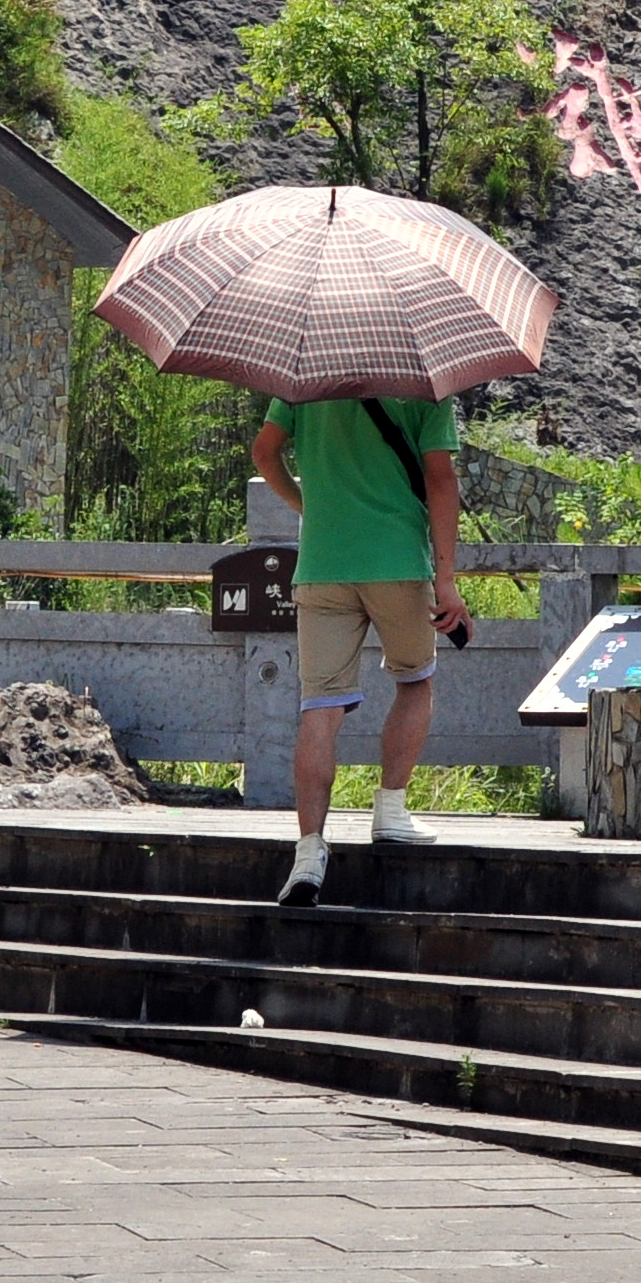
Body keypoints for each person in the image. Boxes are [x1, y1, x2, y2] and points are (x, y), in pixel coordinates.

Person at [253, 386, 471, 906]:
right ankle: (390, 811)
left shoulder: (305, 381)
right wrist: (446, 580)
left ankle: (309, 850)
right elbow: (441, 480)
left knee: (319, 708)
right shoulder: (422, 385)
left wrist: (309, 505)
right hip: (398, 561)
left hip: (324, 565)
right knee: (415, 680)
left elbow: (265, 451)